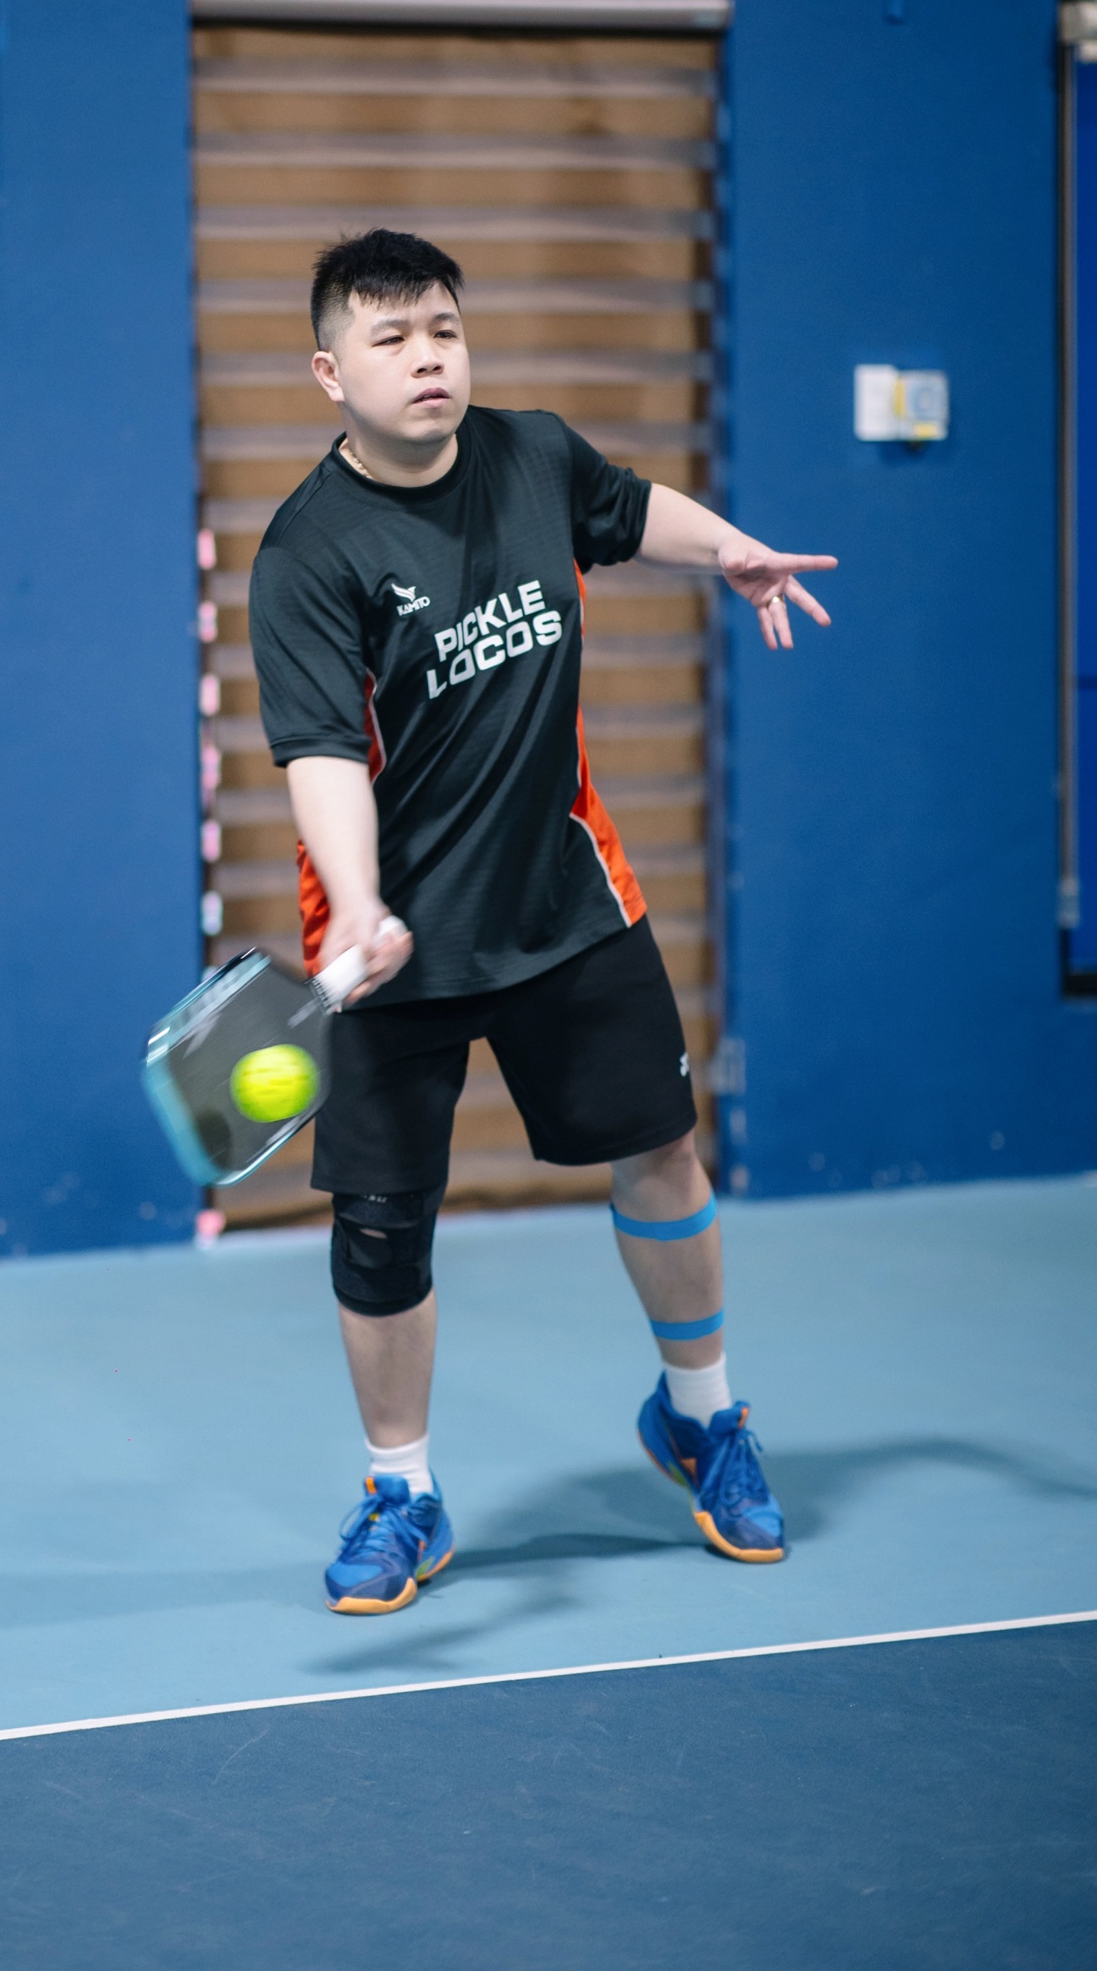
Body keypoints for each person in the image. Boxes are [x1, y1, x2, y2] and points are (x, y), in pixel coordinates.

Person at [248, 229, 836, 1614]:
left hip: (568, 901)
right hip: (391, 945)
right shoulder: (308, 553)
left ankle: (702, 1416)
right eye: (392, 339)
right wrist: (364, 905)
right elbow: (322, 755)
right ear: (331, 373)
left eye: (443, 329)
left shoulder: (530, 455)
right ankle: (403, 1493)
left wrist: (732, 551)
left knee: (661, 1153)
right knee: (381, 1227)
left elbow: (626, 509)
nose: (428, 358)